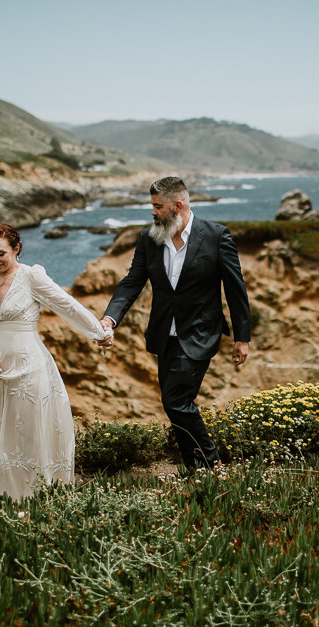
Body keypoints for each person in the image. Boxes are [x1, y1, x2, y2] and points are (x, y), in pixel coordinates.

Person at [98, 176, 251, 469]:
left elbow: (235, 288)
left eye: (158, 206)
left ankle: (211, 462)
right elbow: (132, 281)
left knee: (175, 402)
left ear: (177, 205)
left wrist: (241, 337)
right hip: (163, 335)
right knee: (177, 405)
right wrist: (110, 318)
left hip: (199, 333)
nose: (153, 212)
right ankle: (196, 468)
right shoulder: (149, 238)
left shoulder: (217, 236)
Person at [0, 222, 112, 504]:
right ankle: (1, 497)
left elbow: (66, 305)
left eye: (0, 253)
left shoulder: (31, 277)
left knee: (28, 434)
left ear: (16, 249)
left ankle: (36, 494)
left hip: (31, 369)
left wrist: (99, 332)